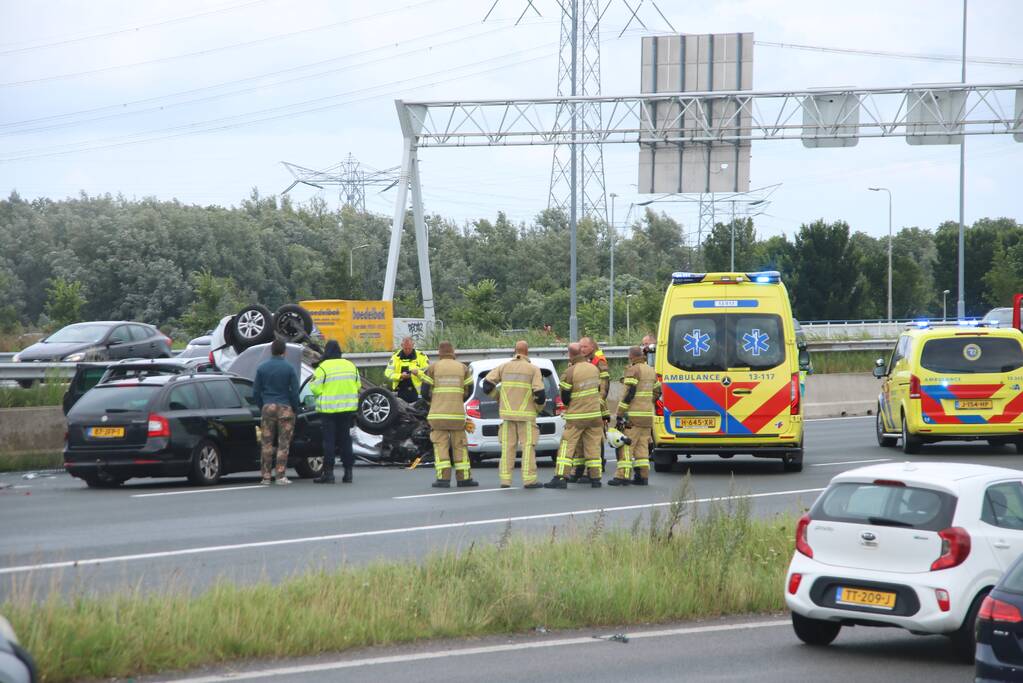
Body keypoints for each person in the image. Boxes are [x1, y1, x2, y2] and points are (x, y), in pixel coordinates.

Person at [482, 340, 546, 489]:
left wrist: (498, 397)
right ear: (527, 351)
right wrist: (538, 408)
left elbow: (486, 386)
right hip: (527, 416)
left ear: (515, 351)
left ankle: (505, 480)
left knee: (507, 448)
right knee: (528, 447)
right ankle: (529, 480)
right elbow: (540, 394)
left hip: (507, 416)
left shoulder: (503, 367)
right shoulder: (533, 369)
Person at [546, 342, 606, 489]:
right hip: (594, 415)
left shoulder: (570, 372)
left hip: (577, 416)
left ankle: (560, 477)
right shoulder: (594, 368)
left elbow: (565, 397)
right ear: (582, 353)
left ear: (570, 355)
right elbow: (599, 388)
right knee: (593, 446)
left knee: (567, 445)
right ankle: (595, 478)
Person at [421, 341, 478, 488]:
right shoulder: (463, 368)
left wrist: (433, 401)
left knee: (441, 445)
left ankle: (443, 479)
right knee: (460, 445)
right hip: (457, 416)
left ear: (439, 353)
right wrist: (459, 400)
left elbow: (424, 392)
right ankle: (464, 479)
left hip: (437, 415)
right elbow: (470, 390)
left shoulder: (433, 368)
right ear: (453, 352)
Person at [309, 340, 361, 484]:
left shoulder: (323, 367)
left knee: (329, 441)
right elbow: (358, 385)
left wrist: (324, 393)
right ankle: (348, 473)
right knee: (345, 440)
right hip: (347, 409)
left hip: (329, 410)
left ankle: (329, 474)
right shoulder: (350, 365)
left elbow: (314, 388)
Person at [610, 346, 661, 486]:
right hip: (647, 415)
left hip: (633, 416)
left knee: (627, 445)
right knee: (642, 446)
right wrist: (647, 402)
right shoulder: (651, 370)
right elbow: (658, 391)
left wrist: (620, 413)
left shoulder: (633, 370)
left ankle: (622, 476)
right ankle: (642, 476)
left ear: (631, 356)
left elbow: (629, 393)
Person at [253, 339, 301, 486]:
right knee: (283, 444)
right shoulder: (289, 368)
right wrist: (294, 408)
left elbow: (256, 392)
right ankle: (280, 476)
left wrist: (263, 405)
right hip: (285, 408)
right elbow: (294, 392)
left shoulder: (262, 368)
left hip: (268, 407)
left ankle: (266, 477)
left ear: (271, 351)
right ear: (284, 351)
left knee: (266, 443)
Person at [569, 336, 611, 481]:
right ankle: (580, 469)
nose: (582, 349)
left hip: (595, 405)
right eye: (580, 347)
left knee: (595, 438)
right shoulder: (581, 361)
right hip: (582, 405)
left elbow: (604, 384)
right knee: (582, 440)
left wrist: (599, 403)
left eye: (585, 347)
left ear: (592, 347)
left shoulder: (599, 361)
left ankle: (596, 466)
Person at [384, 336, 429, 404]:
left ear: (413, 345)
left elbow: (428, 373)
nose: (407, 350)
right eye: (405, 348)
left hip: (417, 392)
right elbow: (388, 373)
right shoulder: (396, 357)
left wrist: (418, 373)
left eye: (409, 348)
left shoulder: (421, 356)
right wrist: (400, 376)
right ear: (402, 345)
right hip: (400, 391)